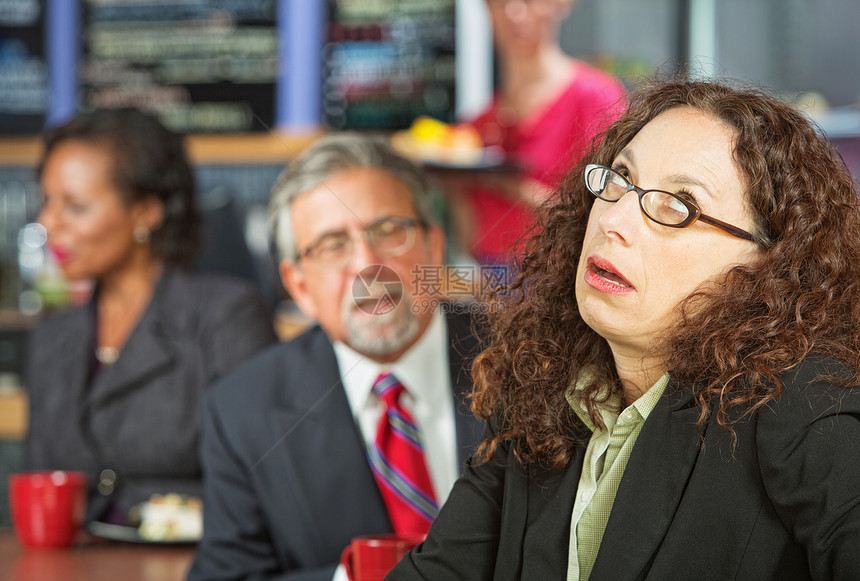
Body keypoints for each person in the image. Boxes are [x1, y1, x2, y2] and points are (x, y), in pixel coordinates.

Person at [388, 79, 860, 580]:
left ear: (772, 266)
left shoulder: (808, 407)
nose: (615, 220)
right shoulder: (540, 386)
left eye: (678, 206)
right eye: (619, 180)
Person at [187, 133, 485, 581]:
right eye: (332, 245)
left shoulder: (533, 363)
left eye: (388, 231)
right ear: (299, 286)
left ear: (435, 249)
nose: (367, 264)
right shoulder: (241, 413)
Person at [25, 108, 278, 526]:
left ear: (147, 211)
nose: (48, 222)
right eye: (47, 201)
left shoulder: (226, 316)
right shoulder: (54, 336)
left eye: (75, 206)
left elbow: (265, 480)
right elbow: (38, 487)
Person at [447, 0, 625, 264]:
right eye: (499, 3)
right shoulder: (476, 125)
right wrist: (453, 187)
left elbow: (611, 211)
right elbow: (470, 241)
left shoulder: (597, 98)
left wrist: (513, 188)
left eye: (529, 1)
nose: (514, 13)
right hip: (493, 285)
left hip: (563, 283)